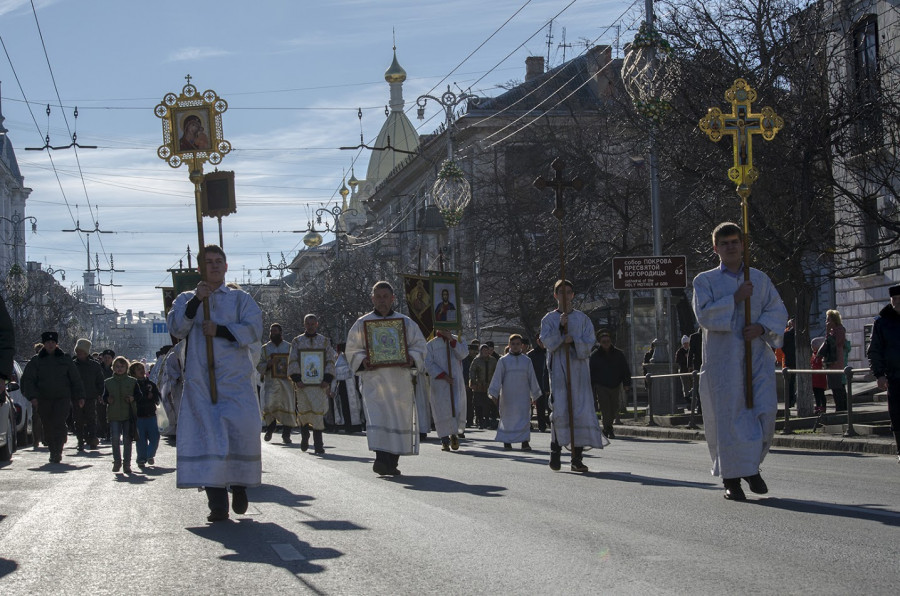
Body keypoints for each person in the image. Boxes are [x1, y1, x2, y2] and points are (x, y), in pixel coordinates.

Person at [166, 245, 263, 522]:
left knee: (239, 434)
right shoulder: (187, 298)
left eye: (219, 261)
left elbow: (255, 329)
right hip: (202, 383)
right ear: (199, 268)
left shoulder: (240, 299)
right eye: (208, 262)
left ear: (226, 266)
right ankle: (217, 503)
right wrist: (197, 301)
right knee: (209, 439)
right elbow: (177, 328)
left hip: (236, 382)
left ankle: (240, 486)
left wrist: (219, 330)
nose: (215, 266)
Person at [692, 222, 788, 501]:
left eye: (735, 241)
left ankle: (751, 466)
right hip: (725, 362)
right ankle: (732, 478)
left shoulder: (758, 278)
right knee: (730, 419)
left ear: (743, 244)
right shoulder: (705, 280)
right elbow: (705, 315)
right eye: (725, 243)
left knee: (764, 411)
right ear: (716, 249)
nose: (731, 246)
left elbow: (777, 309)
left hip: (756, 356)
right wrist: (735, 298)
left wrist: (760, 327)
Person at [345, 281, 427, 476]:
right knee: (379, 417)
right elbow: (352, 350)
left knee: (398, 419)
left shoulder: (405, 323)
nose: (382, 300)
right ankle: (381, 459)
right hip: (375, 380)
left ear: (392, 299)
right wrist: (363, 360)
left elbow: (420, 347)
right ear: (373, 299)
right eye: (378, 297)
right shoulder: (362, 323)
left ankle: (392, 462)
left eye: (385, 297)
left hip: (399, 381)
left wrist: (411, 358)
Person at [540, 280, 608, 472]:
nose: (565, 296)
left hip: (579, 372)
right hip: (560, 372)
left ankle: (577, 458)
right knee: (560, 410)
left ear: (573, 295)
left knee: (579, 411)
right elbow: (547, 342)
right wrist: (561, 331)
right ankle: (555, 451)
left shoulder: (582, 319)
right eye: (561, 292)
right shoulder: (549, 319)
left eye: (568, 292)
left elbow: (589, 342)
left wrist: (574, 340)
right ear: (555, 295)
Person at [21, 331, 85, 464]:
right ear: (44, 344)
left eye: (52, 342)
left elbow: (75, 379)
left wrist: (79, 396)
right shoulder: (36, 361)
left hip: (62, 398)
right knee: (48, 425)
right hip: (43, 398)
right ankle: (52, 449)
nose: (50, 345)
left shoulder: (65, 359)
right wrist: (32, 396)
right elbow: (27, 380)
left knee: (59, 423)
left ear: (56, 344)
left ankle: (58, 449)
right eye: (47, 343)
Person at [288, 314, 336, 454]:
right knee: (303, 411)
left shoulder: (325, 341)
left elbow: (330, 361)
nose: (310, 326)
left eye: (313, 324)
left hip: (319, 384)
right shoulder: (297, 341)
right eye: (308, 324)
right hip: (303, 385)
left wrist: (327, 379)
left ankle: (318, 443)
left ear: (317, 324)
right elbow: (293, 360)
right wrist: (297, 379)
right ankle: (304, 436)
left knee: (317, 412)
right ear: (304, 325)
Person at [488, 334, 541, 451]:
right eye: (513, 344)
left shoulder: (527, 361)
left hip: (523, 395)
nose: (515, 346)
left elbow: (532, 378)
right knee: (508, 418)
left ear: (521, 345)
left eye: (518, 344)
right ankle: (507, 441)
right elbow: (497, 377)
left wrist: (535, 395)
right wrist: (494, 393)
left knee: (524, 418)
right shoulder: (503, 360)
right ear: (509, 345)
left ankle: (524, 442)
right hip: (508, 396)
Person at [866, 284, 900, 463]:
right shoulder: (882, 322)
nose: (898, 303)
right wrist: (879, 374)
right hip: (894, 376)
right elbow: (874, 350)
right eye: (895, 300)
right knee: (897, 414)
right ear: (891, 301)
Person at [425, 329, 468, 452]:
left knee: (456, 407)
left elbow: (463, 354)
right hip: (440, 383)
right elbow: (428, 363)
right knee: (442, 409)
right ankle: (444, 439)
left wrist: (452, 340)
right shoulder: (431, 344)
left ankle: (453, 435)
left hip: (455, 380)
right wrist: (443, 375)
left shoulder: (459, 339)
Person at [589, 329, 632, 439]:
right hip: (601, 386)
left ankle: (608, 426)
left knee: (614, 407)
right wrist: (591, 386)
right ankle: (608, 428)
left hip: (615, 385)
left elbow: (625, 370)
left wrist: (627, 383)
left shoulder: (618, 354)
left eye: (608, 341)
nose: (606, 344)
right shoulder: (594, 356)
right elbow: (590, 372)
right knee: (605, 408)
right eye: (604, 342)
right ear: (600, 343)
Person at [258, 323, 297, 444]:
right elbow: (259, 365)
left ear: (281, 333)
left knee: (288, 407)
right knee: (270, 406)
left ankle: (286, 435)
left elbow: (295, 363)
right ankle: (270, 428)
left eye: (275, 331)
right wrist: (267, 364)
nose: (273, 333)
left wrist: (290, 369)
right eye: (271, 331)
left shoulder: (289, 347)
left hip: (287, 384)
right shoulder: (264, 349)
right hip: (271, 383)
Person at [103, 356, 141, 474]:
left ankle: (127, 464)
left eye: (122, 366)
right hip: (114, 415)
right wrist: (107, 400)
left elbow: (139, 395)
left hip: (128, 415)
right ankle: (117, 461)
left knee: (127, 439)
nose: (119, 369)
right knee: (115, 439)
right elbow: (104, 397)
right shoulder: (108, 382)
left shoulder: (132, 381)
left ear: (127, 367)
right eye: (117, 367)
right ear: (113, 368)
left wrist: (132, 398)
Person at [72, 338, 105, 451]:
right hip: (76, 397)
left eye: (81, 352)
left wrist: (100, 393)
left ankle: (92, 439)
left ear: (86, 353)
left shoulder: (94, 366)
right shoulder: (72, 365)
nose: (79, 354)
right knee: (78, 420)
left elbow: (100, 381)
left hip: (90, 396)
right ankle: (80, 441)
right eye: (77, 352)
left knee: (91, 419)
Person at [129, 360, 161, 468]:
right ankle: (141, 459)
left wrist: (154, 397)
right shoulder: (132, 385)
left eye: (142, 369)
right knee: (141, 440)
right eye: (138, 369)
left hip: (151, 415)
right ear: (133, 373)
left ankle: (149, 455)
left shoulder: (150, 384)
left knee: (155, 437)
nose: (142, 371)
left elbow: (158, 397)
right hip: (139, 416)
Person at [818, 309, 848, 411]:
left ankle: (841, 408)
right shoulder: (832, 331)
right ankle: (841, 407)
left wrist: (828, 332)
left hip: (836, 362)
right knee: (835, 387)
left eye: (828, 319)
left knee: (837, 387)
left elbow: (833, 343)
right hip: (831, 362)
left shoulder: (839, 330)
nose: (827, 322)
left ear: (834, 320)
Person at [330, 342, 364, 433]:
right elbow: (334, 377)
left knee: (356, 406)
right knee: (344, 407)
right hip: (343, 388)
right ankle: (346, 426)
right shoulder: (339, 362)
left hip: (354, 386)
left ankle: (356, 426)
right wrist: (332, 390)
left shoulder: (354, 358)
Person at [469, 344, 497, 429]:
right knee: (478, 404)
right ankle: (480, 421)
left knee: (490, 404)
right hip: (479, 386)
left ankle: (490, 421)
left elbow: (497, 372)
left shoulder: (493, 360)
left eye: (486, 350)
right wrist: (473, 383)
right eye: (483, 350)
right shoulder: (476, 360)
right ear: (480, 351)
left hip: (490, 386)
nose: (485, 352)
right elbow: (472, 372)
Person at [528, 335, 551, 432]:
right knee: (540, 406)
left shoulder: (551, 352)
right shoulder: (532, 355)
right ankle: (542, 425)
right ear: (538, 341)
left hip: (550, 384)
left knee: (551, 406)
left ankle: (551, 423)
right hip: (537, 384)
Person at [461, 339, 479, 428]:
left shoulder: (478, 360)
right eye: (471, 350)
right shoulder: (465, 360)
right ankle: (468, 420)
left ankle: (473, 419)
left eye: (475, 350)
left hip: (477, 385)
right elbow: (464, 372)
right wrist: (465, 383)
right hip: (467, 384)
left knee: (475, 403)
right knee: (467, 403)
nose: (473, 352)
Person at [810, 337, 828, 415]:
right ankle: (818, 406)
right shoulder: (813, 354)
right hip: (814, 378)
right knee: (816, 393)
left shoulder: (820, 355)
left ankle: (823, 406)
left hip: (820, 377)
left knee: (821, 393)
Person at [675, 334, 692, 403]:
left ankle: (692, 397)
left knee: (691, 384)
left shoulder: (690, 350)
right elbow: (678, 361)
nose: (686, 345)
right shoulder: (680, 351)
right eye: (685, 343)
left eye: (687, 343)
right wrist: (685, 358)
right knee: (685, 385)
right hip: (683, 370)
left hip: (690, 370)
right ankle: (687, 398)